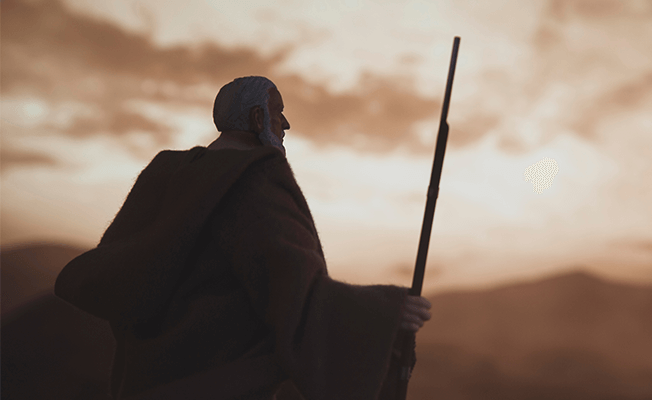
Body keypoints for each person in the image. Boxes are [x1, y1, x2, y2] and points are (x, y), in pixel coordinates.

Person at [55, 76, 432, 400]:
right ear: (257, 119)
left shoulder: (163, 173)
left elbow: (124, 274)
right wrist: (386, 311)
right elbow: (294, 289)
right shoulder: (254, 178)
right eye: (278, 112)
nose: (286, 124)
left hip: (142, 384)